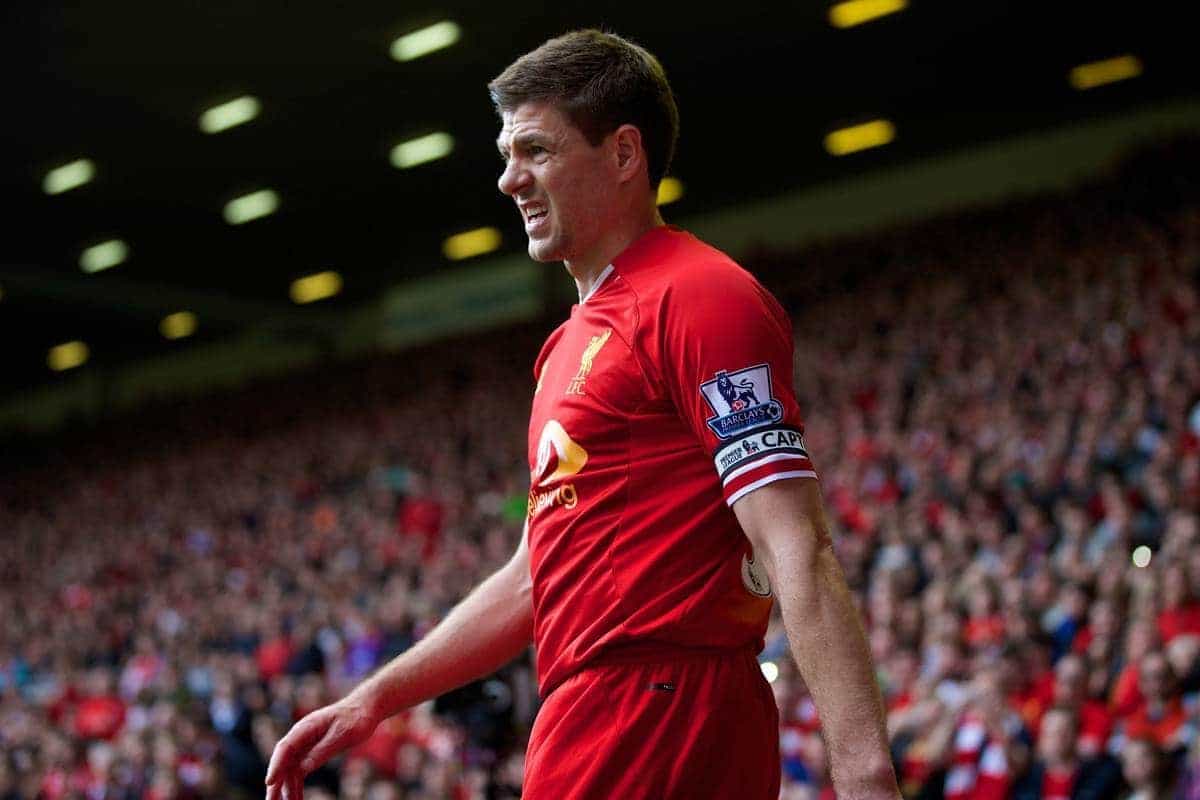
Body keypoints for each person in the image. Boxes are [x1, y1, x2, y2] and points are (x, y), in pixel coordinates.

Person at [265, 29, 899, 800]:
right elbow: (536, 578)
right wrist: (375, 699)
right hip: (595, 716)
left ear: (624, 154)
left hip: (656, 714)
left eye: (536, 150)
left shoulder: (699, 296)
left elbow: (797, 544)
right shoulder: (566, 347)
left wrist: (865, 774)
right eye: (506, 154)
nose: (508, 180)